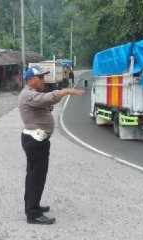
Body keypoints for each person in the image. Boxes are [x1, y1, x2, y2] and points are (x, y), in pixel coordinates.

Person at [18, 66, 83, 224]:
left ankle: (32, 205)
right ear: (30, 80)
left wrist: (47, 108)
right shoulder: (28, 94)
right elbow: (47, 98)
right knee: (36, 177)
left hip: (36, 140)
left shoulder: (31, 94)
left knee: (33, 175)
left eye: (43, 77)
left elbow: (42, 104)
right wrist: (65, 91)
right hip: (35, 141)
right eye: (39, 77)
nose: (42, 80)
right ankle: (33, 214)